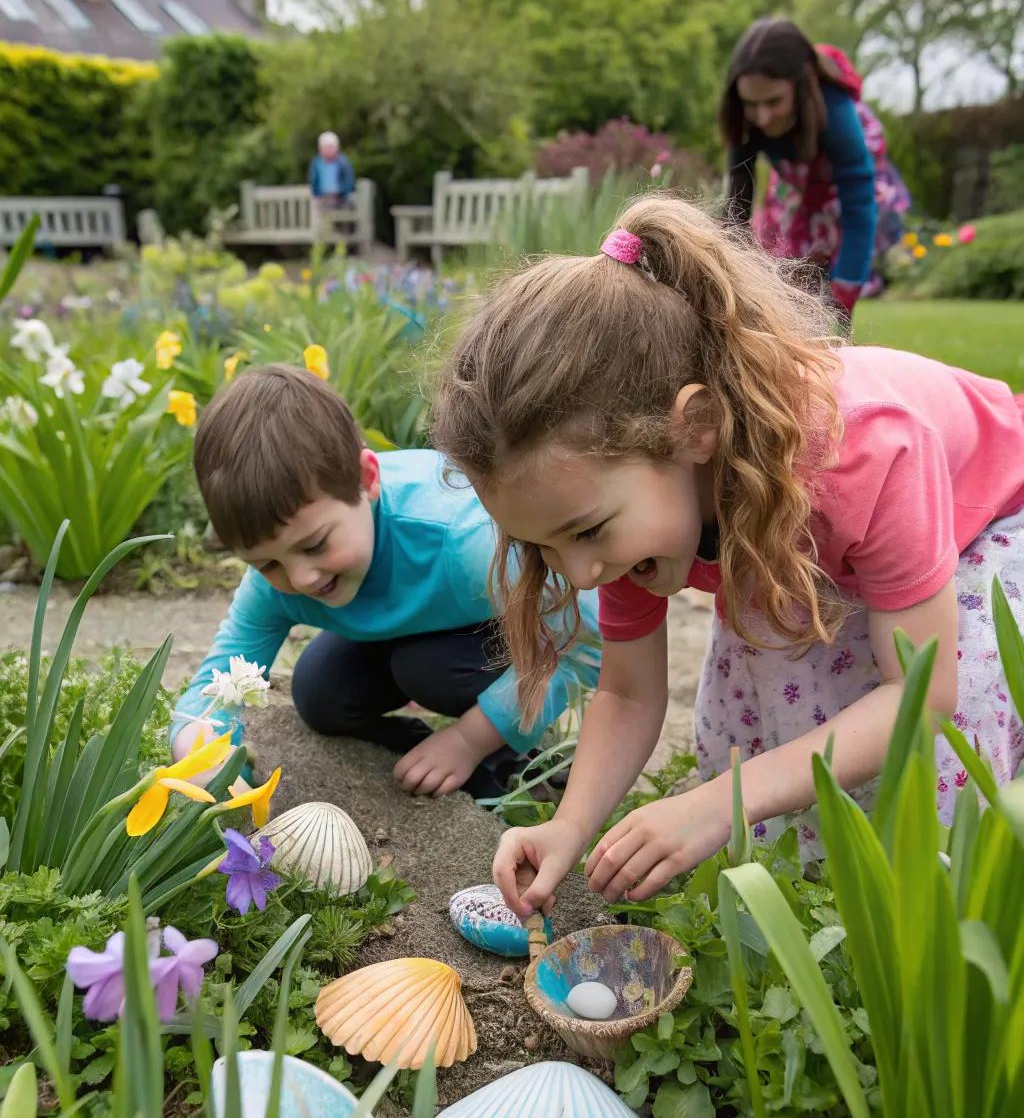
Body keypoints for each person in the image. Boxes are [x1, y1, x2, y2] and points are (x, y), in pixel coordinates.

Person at [431, 194, 1024, 918]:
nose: (581, 572)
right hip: (801, 528)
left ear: (696, 429)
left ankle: (932, 898)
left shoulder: (863, 451)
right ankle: (805, 878)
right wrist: (569, 825)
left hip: (986, 519)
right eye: (543, 546)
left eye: (585, 534)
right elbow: (628, 693)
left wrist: (722, 803)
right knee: (770, 653)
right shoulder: (620, 511)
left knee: (952, 688)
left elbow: (924, 694)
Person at [171, 365, 600, 801]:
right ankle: (423, 754)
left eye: (316, 544)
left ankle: (508, 759)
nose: (300, 577)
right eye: (265, 563)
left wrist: (469, 739)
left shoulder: (465, 539)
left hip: (509, 633)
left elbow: (585, 639)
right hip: (417, 628)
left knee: (428, 671)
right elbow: (219, 678)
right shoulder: (281, 573)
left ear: (367, 480)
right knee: (320, 690)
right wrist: (197, 749)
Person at [721, 19, 910, 322]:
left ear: (801, 86)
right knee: (785, 265)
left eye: (773, 101)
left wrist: (842, 302)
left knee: (831, 283)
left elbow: (859, 206)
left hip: (846, 185)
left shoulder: (835, 110)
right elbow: (737, 204)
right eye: (751, 104)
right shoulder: (746, 118)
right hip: (796, 182)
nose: (763, 117)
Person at [308, 131, 355, 237]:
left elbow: (349, 183)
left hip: (341, 198)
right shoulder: (317, 163)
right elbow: (314, 182)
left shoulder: (343, 162)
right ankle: (326, 236)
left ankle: (342, 237)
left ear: (336, 148)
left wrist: (339, 192)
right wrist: (318, 195)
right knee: (322, 207)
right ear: (320, 149)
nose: (328, 150)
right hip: (323, 199)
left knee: (346, 209)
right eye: (326, 147)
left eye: (331, 147)